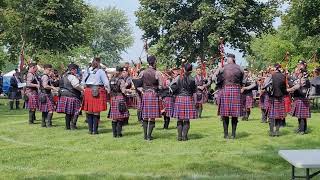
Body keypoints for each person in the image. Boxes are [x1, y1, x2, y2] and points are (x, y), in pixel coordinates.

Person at [217, 54, 244, 139]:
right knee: (234, 114)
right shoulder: (240, 68)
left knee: (225, 114)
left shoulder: (223, 68)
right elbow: (242, 80)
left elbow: (218, 80)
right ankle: (233, 134)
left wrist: (219, 69)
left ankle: (226, 134)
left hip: (226, 89)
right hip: (236, 89)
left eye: (227, 58)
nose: (226, 60)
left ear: (230, 59)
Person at [82, 58, 110, 135]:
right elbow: (106, 83)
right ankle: (95, 130)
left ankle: (90, 130)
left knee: (89, 111)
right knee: (96, 112)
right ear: (99, 63)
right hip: (97, 90)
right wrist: (109, 91)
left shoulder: (87, 70)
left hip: (88, 90)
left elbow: (82, 82)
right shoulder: (101, 71)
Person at [138, 56, 163, 141]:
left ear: (148, 62)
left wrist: (141, 90)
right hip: (153, 94)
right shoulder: (157, 73)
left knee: (145, 116)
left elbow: (137, 83)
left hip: (145, 94)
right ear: (154, 62)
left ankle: (145, 136)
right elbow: (161, 86)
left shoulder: (142, 72)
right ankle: (149, 136)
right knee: (152, 116)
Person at [172, 63, 197, 141]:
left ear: (184, 69)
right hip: (188, 98)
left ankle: (179, 137)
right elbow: (194, 91)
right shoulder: (193, 79)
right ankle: (185, 136)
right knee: (186, 119)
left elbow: (172, 86)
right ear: (191, 70)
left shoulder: (178, 77)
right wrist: (195, 102)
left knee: (179, 119)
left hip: (179, 98)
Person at [57, 63, 84, 130]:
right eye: (76, 70)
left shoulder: (64, 76)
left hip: (64, 95)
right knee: (76, 111)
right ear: (73, 70)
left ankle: (67, 126)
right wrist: (83, 89)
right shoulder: (72, 77)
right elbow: (76, 85)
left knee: (68, 113)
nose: (76, 71)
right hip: (72, 96)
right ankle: (73, 125)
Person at [264, 64, 287, 137]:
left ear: (275, 68)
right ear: (279, 68)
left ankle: (271, 132)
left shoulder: (271, 75)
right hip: (280, 97)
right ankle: (277, 131)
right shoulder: (283, 76)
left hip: (272, 97)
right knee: (278, 116)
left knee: (271, 116)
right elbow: (284, 88)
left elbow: (265, 85)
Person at [108, 67, 131, 137]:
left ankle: (114, 134)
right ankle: (118, 134)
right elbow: (123, 90)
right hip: (120, 98)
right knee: (120, 117)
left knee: (114, 117)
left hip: (113, 98)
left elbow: (109, 90)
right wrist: (129, 91)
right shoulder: (121, 81)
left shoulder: (111, 80)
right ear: (120, 72)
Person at [287, 68, 311, 135]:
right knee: (300, 116)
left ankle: (302, 130)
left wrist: (287, 90)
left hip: (301, 99)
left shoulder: (304, 79)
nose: (296, 73)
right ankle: (302, 128)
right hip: (300, 98)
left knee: (302, 116)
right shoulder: (302, 79)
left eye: (298, 72)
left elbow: (296, 87)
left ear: (301, 73)